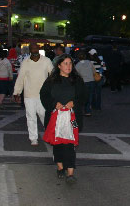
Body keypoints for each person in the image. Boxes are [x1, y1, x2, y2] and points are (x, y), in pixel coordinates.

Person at [40, 55, 87, 183]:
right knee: (58, 144)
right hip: (55, 117)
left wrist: (74, 103)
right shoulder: (51, 80)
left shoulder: (77, 80)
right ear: (59, 66)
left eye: (70, 63)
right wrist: (54, 103)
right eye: (65, 63)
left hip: (72, 117)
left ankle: (70, 173)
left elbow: (83, 96)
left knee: (70, 145)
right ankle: (60, 166)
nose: (68, 66)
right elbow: (43, 95)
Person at [13, 43, 52, 146]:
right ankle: (33, 138)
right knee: (31, 117)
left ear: (39, 49)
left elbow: (53, 75)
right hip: (29, 94)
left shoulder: (46, 61)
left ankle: (49, 135)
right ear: (29, 50)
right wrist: (17, 92)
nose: (34, 50)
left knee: (44, 116)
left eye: (36, 48)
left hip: (43, 95)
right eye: (32, 49)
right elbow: (20, 78)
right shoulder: (25, 62)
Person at [74, 51, 97, 116]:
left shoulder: (77, 65)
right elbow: (94, 71)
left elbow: (76, 75)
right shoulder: (89, 62)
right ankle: (88, 110)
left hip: (84, 82)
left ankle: (85, 109)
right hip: (91, 81)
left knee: (84, 96)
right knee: (90, 96)